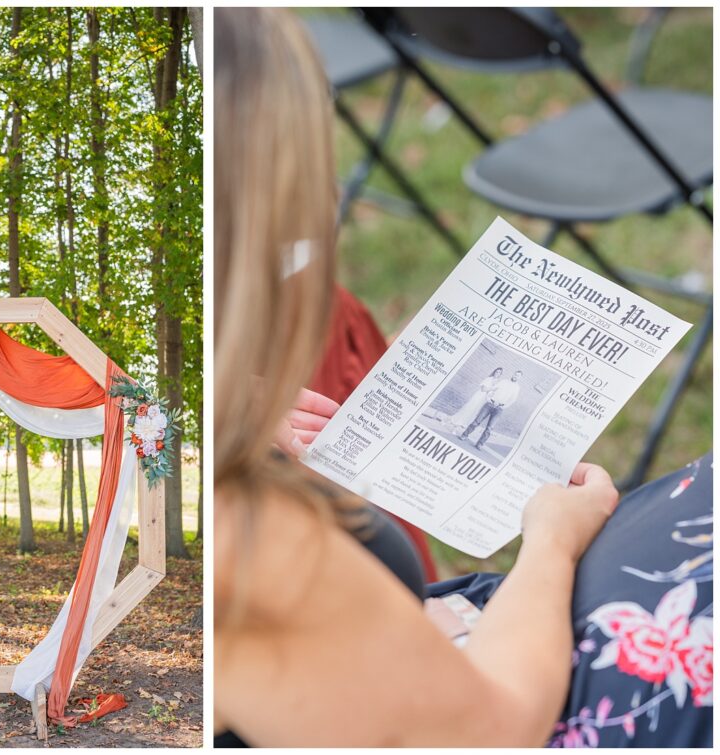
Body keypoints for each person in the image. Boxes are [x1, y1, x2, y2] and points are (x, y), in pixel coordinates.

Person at [215, 7, 712, 748]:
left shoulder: (227, 464)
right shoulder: (252, 542)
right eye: (309, 188)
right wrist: (550, 542)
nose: (329, 212)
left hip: (413, 651)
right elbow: (494, 729)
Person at [460, 368, 522, 450]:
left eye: (517, 375)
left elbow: (513, 400)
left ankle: (479, 444)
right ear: (513, 374)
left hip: (499, 409)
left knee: (489, 428)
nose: (515, 376)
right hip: (490, 404)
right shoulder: (504, 381)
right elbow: (493, 388)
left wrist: (504, 406)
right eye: (515, 374)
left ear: (519, 378)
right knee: (477, 421)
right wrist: (488, 398)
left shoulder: (517, 388)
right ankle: (464, 435)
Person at [447, 367, 502, 433]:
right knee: (468, 410)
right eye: (497, 372)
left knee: (474, 414)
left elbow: (494, 393)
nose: (497, 374)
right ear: (494, 372)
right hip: (478, 397)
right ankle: (455, 426)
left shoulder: (497, 383)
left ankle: (458, 426)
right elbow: (483, 389)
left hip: (484, 400)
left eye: (499, 373)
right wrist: (492, 389)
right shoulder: (488, 379)